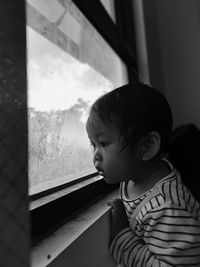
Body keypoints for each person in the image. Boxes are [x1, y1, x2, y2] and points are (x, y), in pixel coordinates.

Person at [86, 83, 200, 266]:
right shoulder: (134, 178)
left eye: (104, 143)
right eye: (93, 145)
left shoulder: (167, 208)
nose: (96, 155)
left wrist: (123, 238)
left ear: (146, 147)